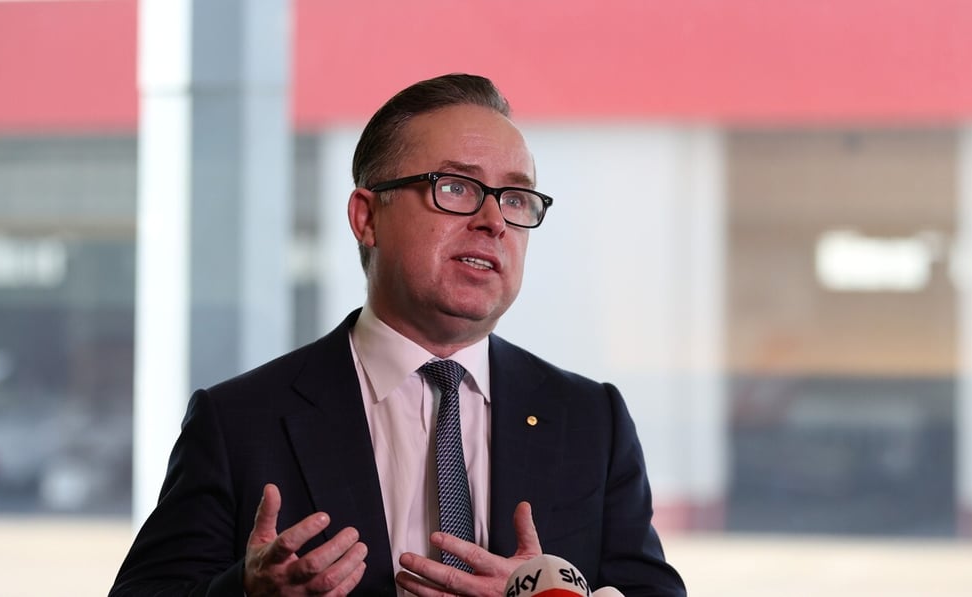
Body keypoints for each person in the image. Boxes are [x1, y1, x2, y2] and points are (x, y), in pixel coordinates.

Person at [110, 73, 686, 597]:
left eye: (515, 197)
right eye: (456, 187)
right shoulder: (239, 422)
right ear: (367, 217)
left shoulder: (590, 419)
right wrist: (245, 593)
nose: (494, 221)